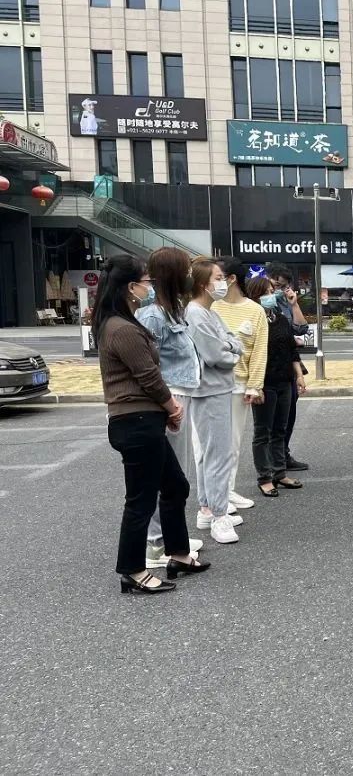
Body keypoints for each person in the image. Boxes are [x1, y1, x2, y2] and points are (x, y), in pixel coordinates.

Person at [93, 255, 208, 594]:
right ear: (131, 287)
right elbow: (149, 376)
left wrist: (165, 411)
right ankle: (132, 570)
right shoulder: (122, 328)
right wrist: (172, 407)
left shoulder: (120, 323)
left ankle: (179, 554)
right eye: (146, 281)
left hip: (142, 420)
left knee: (175, 486)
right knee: (141, 500)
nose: (150, 286)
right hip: (136, 421)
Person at [134, 248, 207, 568]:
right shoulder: (152, 316)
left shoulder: (174, 310)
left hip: (181, 395)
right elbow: (146, 366)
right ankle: (156, 543)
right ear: (173, 274)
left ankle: (172, 536)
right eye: (186, 270)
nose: (190, 275)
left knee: (176, 475)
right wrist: (166, 403)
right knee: (164, 475)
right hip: (168, 399)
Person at [186, 259, 245, 544]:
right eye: (219, 278)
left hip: (216, 388)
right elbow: (217, 355)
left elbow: (233, 340)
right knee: (218, 454)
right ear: (202, 283)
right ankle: (218, 514)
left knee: (212, 453)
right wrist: (231, 350)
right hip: (209, 390)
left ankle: (208, 508)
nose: (223, 283)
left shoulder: (210, 313)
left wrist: (230, 346)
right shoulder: (196, 314)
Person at [212, 258, 268, 510]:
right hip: (210, 385)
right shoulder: (210, 307)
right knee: (210, 445)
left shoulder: (255, 311)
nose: (214, 282)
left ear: (231, 278)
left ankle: (228, 490)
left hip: (238, 385)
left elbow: (259, 351)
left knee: (232, 444)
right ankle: (213, 499)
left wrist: (254, 385)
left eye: (218, 276)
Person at [247, 277, 306, 497]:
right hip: (264, 382)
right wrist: (254, 385)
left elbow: (292, 349)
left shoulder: (279, 317)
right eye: (266, 293)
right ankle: (265, 477)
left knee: (280, 429)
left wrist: (298, 375)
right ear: (254, 296)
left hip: (284, 380)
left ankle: (279, 473)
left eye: (272, 291)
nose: (271, 296)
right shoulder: (252, 319)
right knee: (263, 431)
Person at [266, 262, 310, 473]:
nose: (278, 290)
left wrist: (294, 304)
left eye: (283, 286)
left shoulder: (284, 303)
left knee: (288, 414)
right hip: (268, 367)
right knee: (269, 420)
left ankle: (283, 454)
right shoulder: (257, 304)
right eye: (275, 285)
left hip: (289, 364)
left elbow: (301, 329)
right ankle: (270, 462)